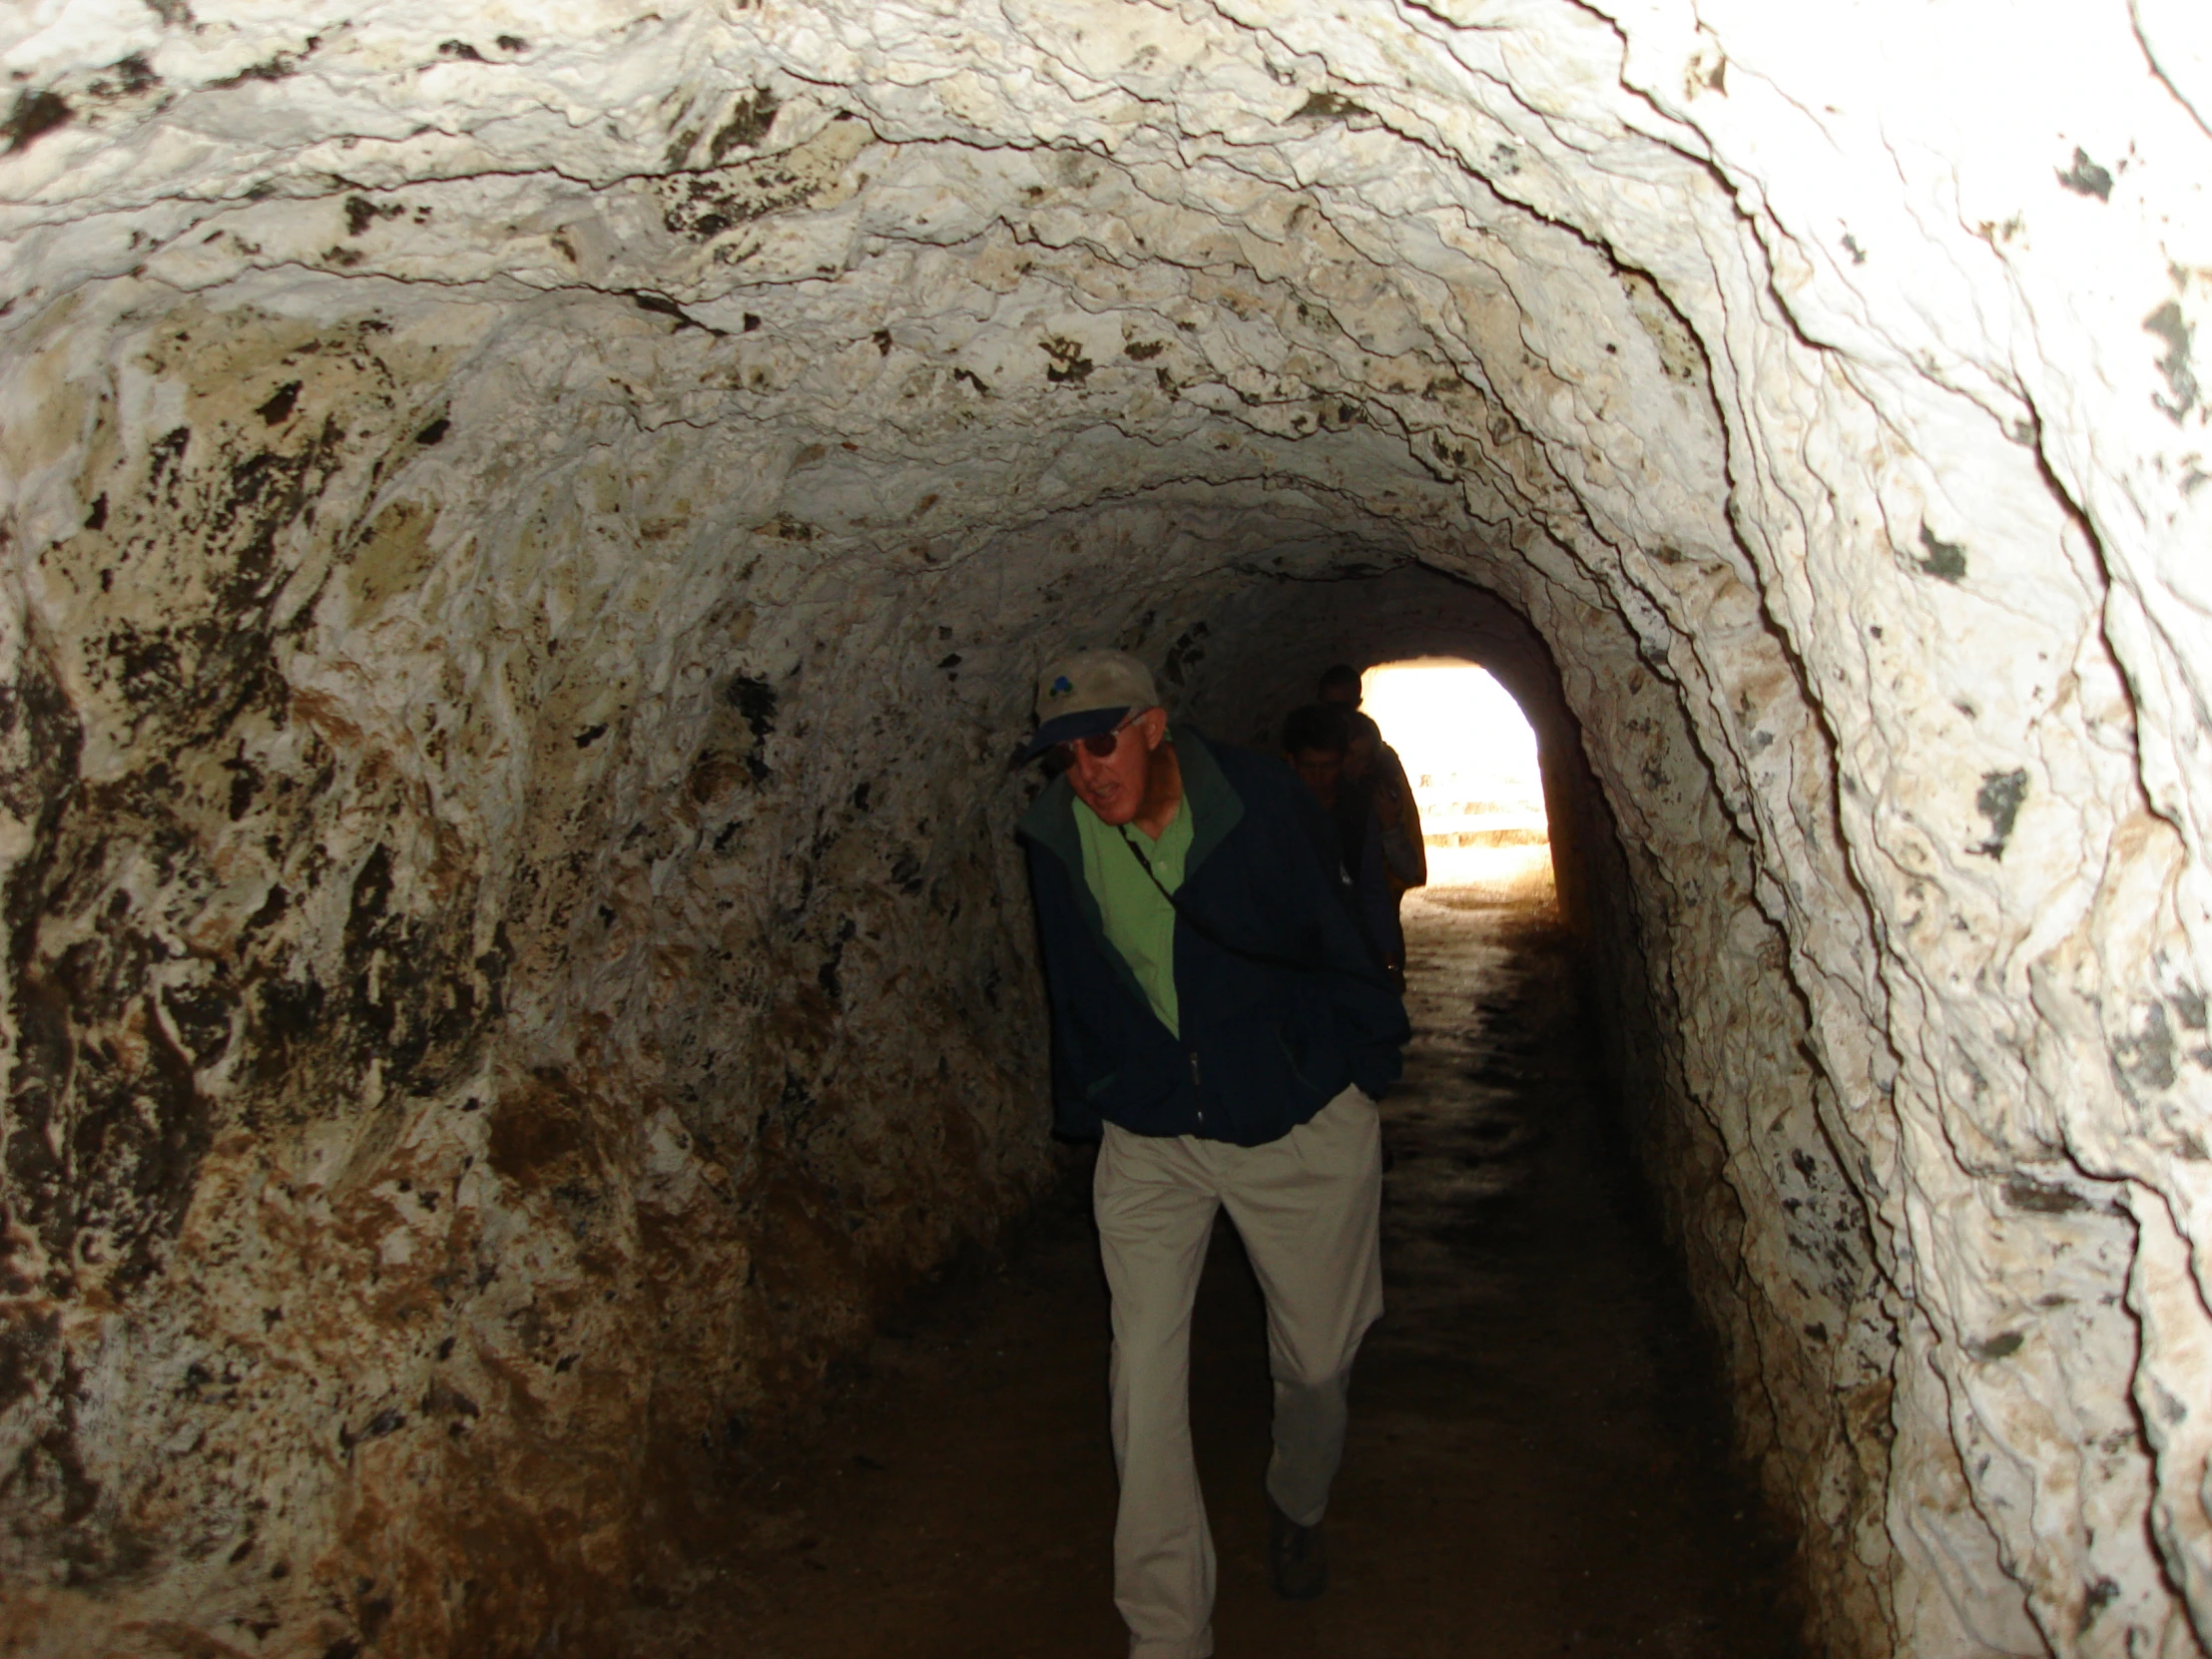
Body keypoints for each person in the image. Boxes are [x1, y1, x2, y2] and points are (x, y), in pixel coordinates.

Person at [1016, 648, 1409, 1659]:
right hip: (1154, 1134)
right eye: (1061, 756)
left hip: (1290, 1118)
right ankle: (1165, 1634)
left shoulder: (1259, 799)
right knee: (1140, 1382)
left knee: (1317, 1363)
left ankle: (1297, 1498)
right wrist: (1094, 1101)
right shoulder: (1055, 831)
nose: (1082, 771)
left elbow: (1332, 934)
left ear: (1150, 726)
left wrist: (1361, 1063)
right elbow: (1075, 982)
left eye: (1098, 742)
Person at [1282, 701, 1401, 980]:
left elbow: (1371, 886)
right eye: (1309, 767)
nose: (1319, 777)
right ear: (1291, 762)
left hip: (1345, 945)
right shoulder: (1275, 811)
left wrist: (1388, 958)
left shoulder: (1357, 812)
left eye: (1329, 766)